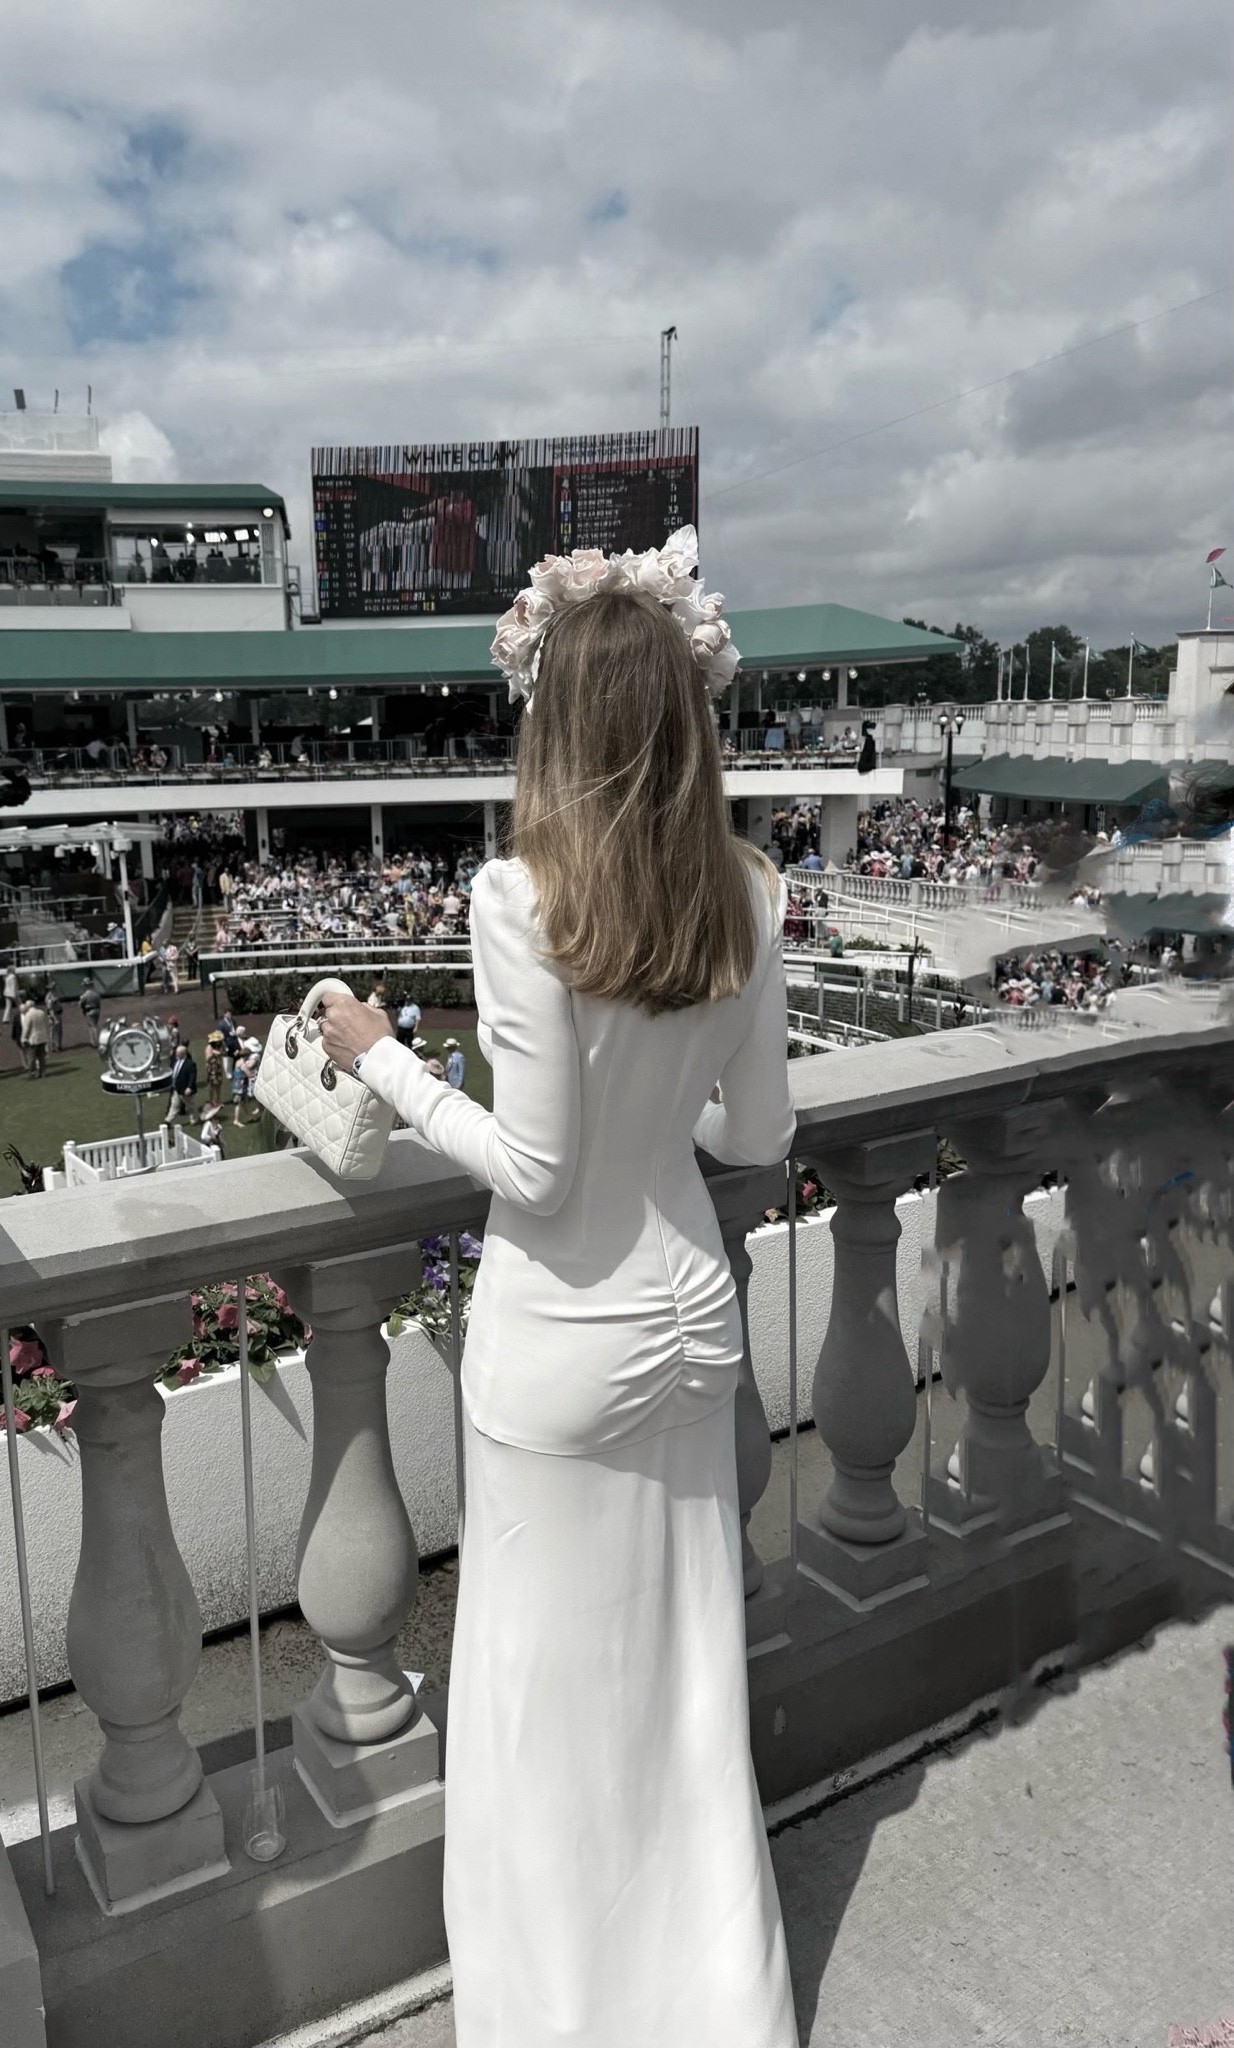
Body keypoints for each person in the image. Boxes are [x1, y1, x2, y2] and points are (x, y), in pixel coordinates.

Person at [317, 558, 799, 2046]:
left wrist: (378, 1056)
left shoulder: (521, 894)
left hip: (561, 1348)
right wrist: (672, 1107)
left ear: (559, 724)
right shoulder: (750, 888)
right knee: (682, 1689)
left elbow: (529, 1170)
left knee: (539, 1718)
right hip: (690, 1322)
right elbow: (759, 1137)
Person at [162, 1039, 198, 1130]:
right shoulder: (175, 1061)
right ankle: (168, 1121)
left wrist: (189, 1087)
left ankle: (194, 1119)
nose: (176, 1055)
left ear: (184, 1053)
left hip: (185, 1089)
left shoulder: (190, 1064)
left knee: (191, 1106)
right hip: (176, 1088)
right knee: (174, 1105)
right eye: (176, 1053)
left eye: (178, 1053)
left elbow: (192, 1076)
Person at [19, 996, 49, 1078]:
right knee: (41, 1056)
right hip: (42, 1036)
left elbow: (26, 1028)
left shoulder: (29, 1015)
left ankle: (32, 1073)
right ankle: (43, 1072)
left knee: (31, 1057)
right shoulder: (41, 1012)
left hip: (33, 1038)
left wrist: (23, 1038)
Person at [78, 973, 103, 1048]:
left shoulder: (85, 995)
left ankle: (95, 1042)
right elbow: (99, 1003)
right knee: (95, 1026)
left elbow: (80, 1005)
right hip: (96, 1010)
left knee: (92, 1027)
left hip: (89, 1011)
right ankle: (93, 1041)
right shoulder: (96, 993)